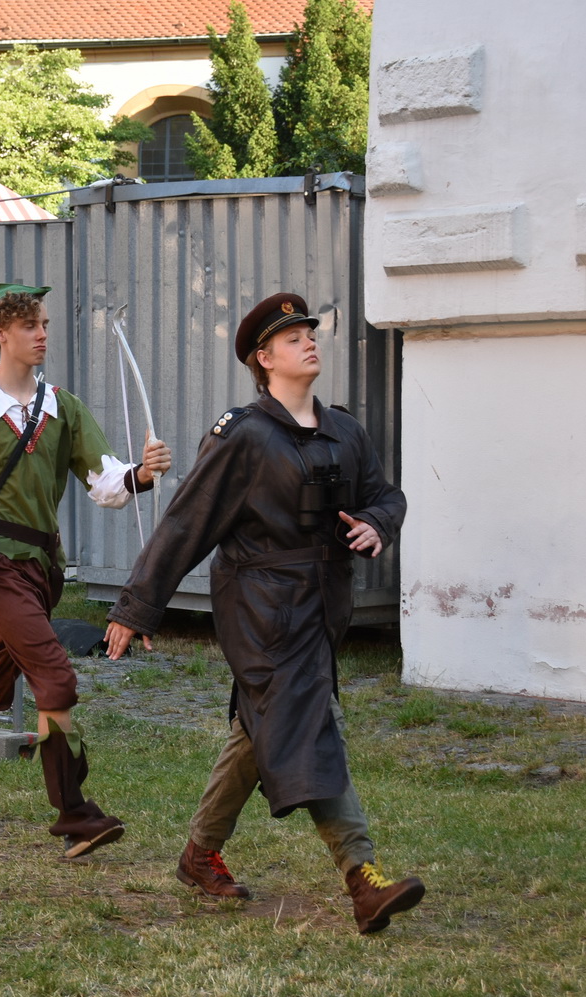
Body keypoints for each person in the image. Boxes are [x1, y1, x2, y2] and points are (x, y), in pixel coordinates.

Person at [104, 292, 424, 934]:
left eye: (311, 333)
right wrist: (138, 606)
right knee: (308, 722)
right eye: (292, 337)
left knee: (260, 729)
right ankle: (362, 879)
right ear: (263, 358)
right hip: (260, 610)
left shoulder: (345, 430)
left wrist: (374, 524)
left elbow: (386, 495)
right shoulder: (243, 435)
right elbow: (187, 522)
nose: (309, 342)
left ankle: (198, 854)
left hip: (323, 606)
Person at [0, 285, 171, 857]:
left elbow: (105, 484)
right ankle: (76, 814)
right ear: (1, 333)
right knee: (56, 678)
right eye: (29, 325)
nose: (42, 333)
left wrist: (142, 474)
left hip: (45, 566)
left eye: (45, 323)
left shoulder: (64, 407)